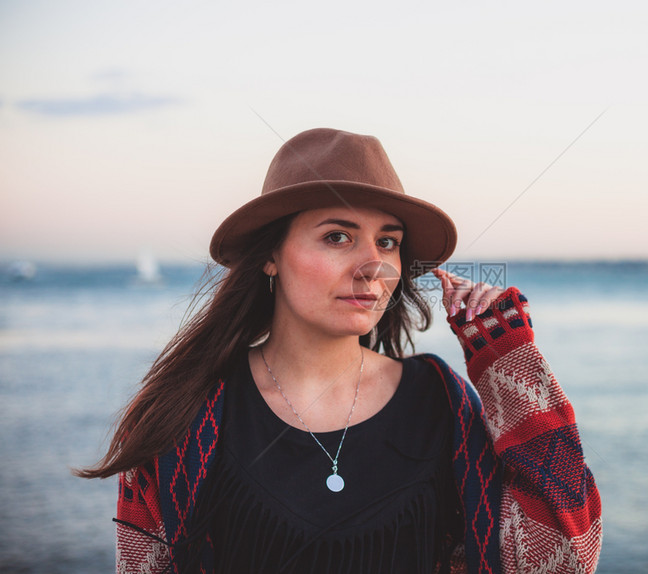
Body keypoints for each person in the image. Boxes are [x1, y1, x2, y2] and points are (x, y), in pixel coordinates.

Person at [78, 128, 602, 573]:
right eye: (337, 237)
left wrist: (504, 358)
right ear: (271, 257)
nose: (372, 265)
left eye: (388, 242)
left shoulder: (439, 401)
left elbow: (564, 556)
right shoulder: (186, 413)